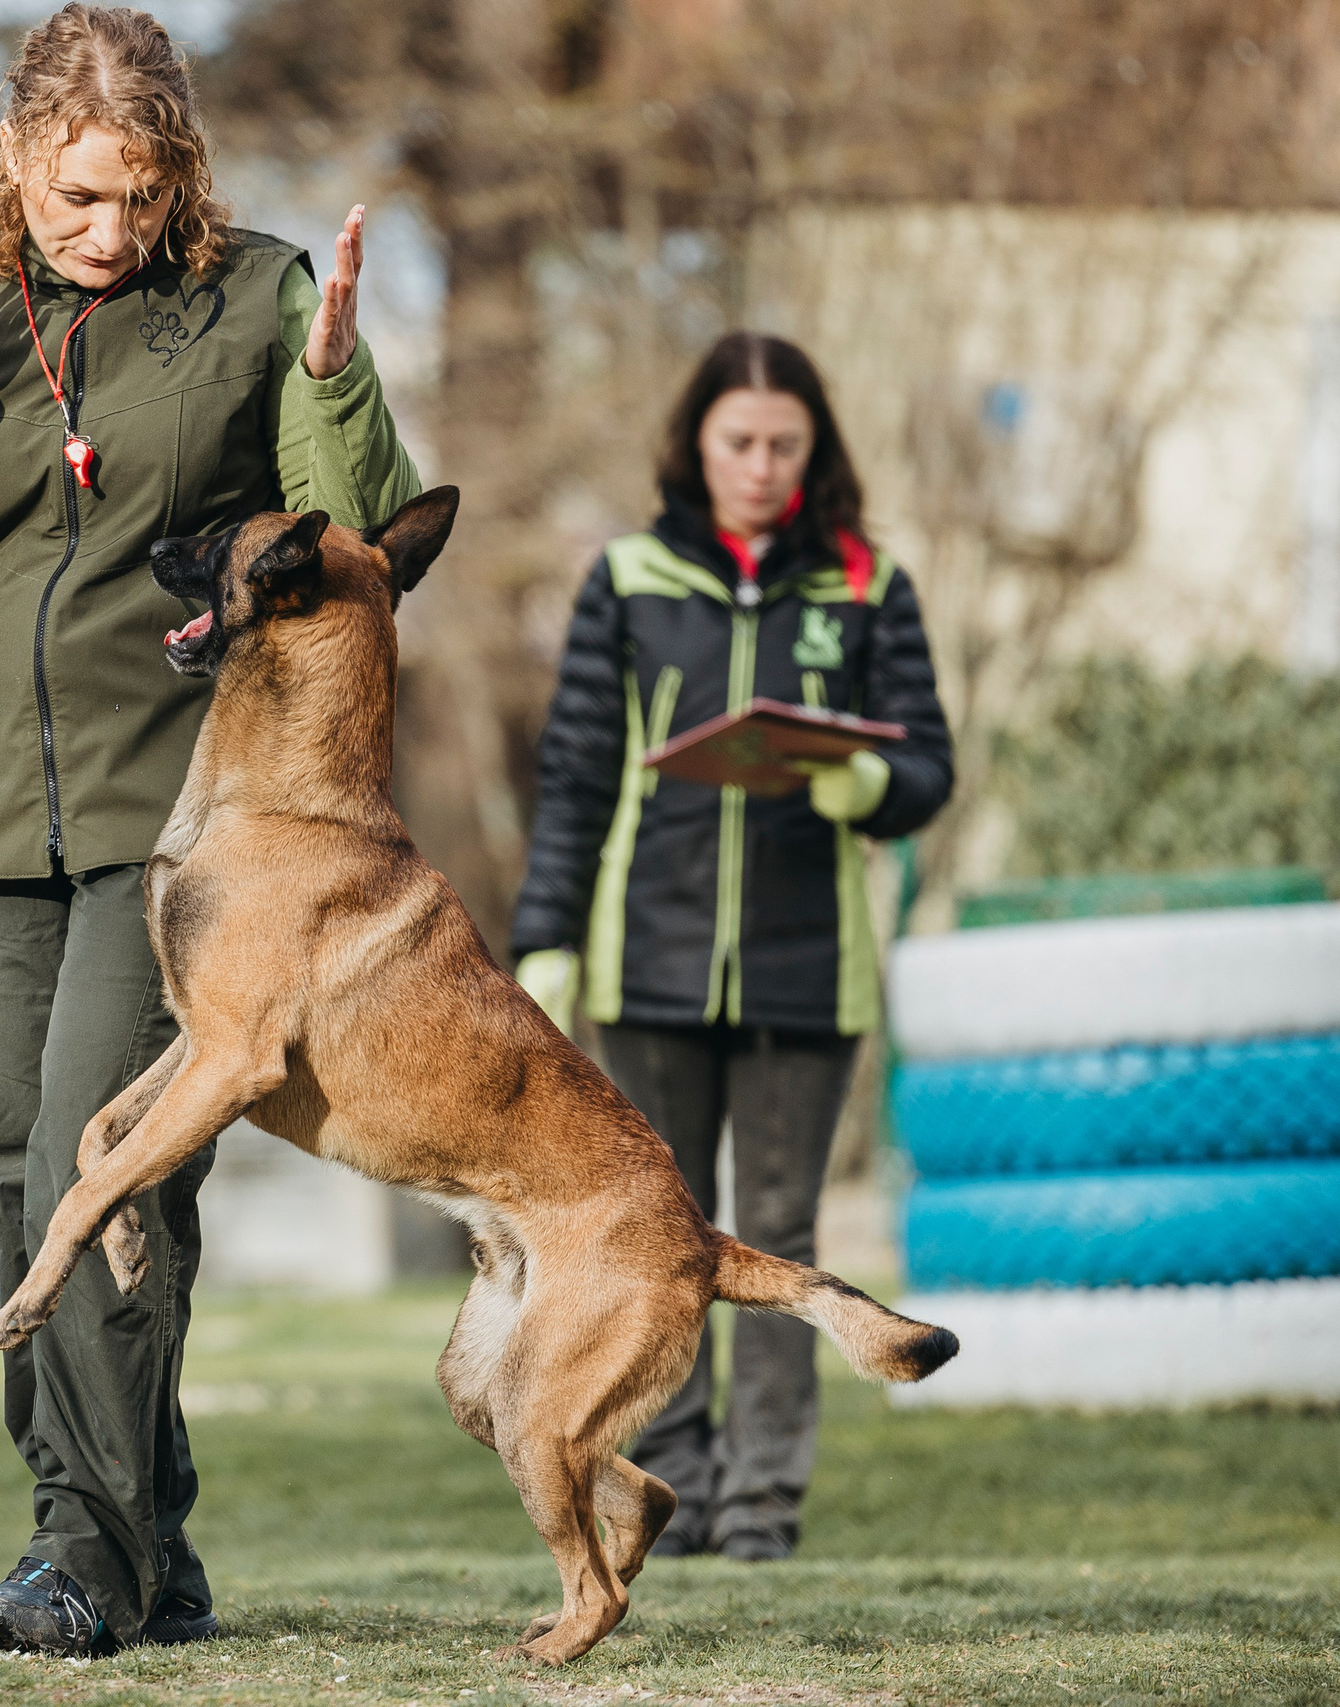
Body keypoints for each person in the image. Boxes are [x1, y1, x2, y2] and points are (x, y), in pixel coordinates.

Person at [0, 2, 421, 1657]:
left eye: (137, 193)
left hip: (181, 820)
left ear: (179, 173)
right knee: (16, 1167)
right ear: (19, 164)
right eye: (77, 196)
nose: (108, 227)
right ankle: (143, 1535)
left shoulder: (257, 296)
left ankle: (87, 1558)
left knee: (107, 1149)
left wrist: (338, 376)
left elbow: (357, 530)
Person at [508, 331, 952, 1562]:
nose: (760, 466)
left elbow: (927, 768)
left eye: (784, 446)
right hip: (643, 969)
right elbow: (577, 773)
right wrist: (545, 944)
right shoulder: (630, 576)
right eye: (738, 442)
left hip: (810, 978)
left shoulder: (869, 586)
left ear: (817, 454)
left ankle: (763, 1501)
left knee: (777, 1232)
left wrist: (868, 777)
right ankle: (682, 1485)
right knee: (655, 1238)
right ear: (696, 447)